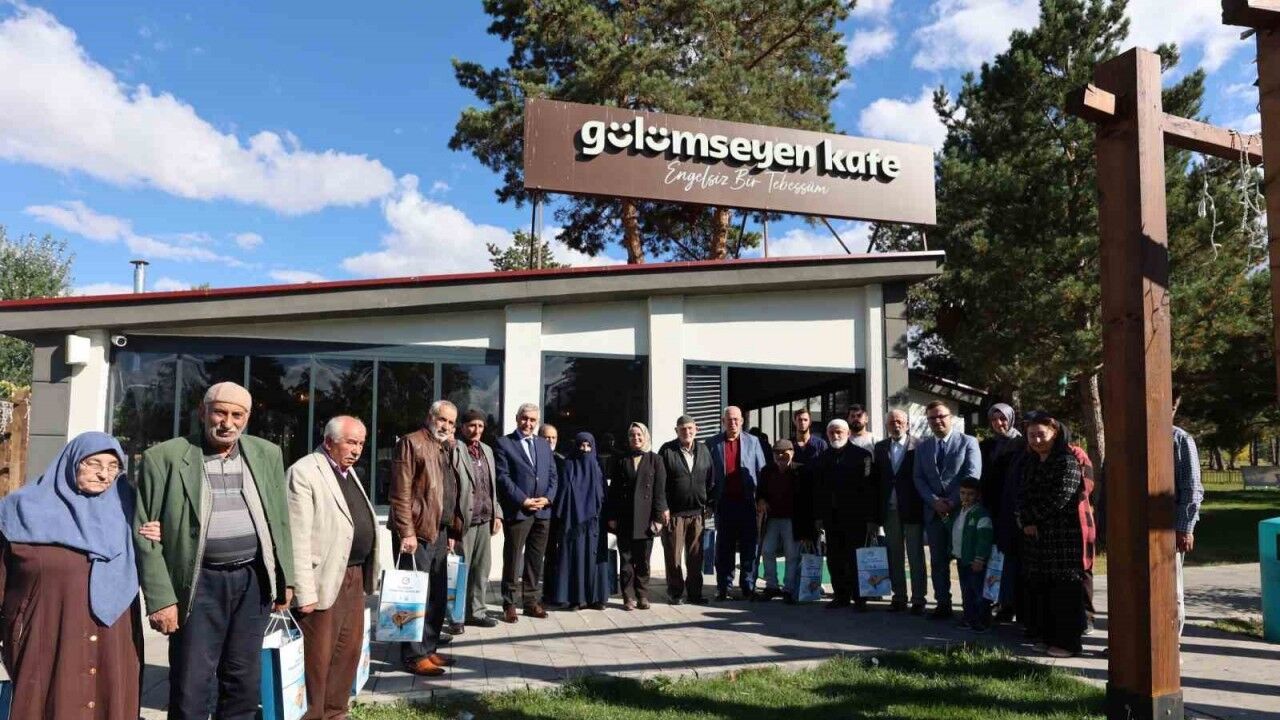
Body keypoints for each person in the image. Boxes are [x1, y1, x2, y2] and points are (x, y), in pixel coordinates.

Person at [134, 381, 295, 719]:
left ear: (247, 417)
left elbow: (280, 520)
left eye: (238, 415)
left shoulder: (266, 453)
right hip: (198, 583)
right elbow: (145, 534)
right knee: (191, 683)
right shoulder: (164, 457)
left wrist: (286, 579)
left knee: (243, 680)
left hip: (253, 581)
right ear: (202, 412)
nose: (228, 422)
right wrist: (161, 599)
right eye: (220, 412)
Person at [0, 432, 160, 719]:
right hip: (47, 632)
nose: (104, 474)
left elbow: (159, 558)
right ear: (71, 462)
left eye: (113, 466)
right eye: (94, 463)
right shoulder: (21, 509)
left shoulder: (130, 509)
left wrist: (159, 535)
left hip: (113, 636)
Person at [286, 416, 380, 719]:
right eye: (351, 442)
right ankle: (312, 715)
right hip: (322, 579)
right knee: (317, 657)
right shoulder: (304, 472)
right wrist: (303, 591)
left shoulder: (349, 472)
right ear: (328, 442)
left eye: (361, 443)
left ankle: (336, 712)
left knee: (347, 651)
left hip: (353, 574)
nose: (357, 450)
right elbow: (296, 536)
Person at [388, 400, 462, 677]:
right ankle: (412, 655)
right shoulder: (411, 442)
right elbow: (400, 492)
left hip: (439, 530)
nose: (446, 426)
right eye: (442, 419)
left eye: (451, 422)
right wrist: (406, 531)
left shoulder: (444, 447)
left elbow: (448, 490)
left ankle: (428, 648)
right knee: (414, 596)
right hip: (416, 533)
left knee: (437, 597)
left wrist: (451, 531)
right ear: (430, 417)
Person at [1016, 411, 1086, 658]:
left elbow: (1060, 498)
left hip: (1061, 537)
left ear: (1054, 433)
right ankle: (1046, 636)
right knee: (1041, 589)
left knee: (1063, 591)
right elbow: (1021, 494)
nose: (1036, 440)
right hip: (1035, 539)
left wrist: (1032, 518)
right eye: (1031, 435)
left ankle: (1068, 643)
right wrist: (1025, 520)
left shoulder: (1066, 461)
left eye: (1041, 434)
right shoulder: (1031, 462)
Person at [913, 399, 981, 619]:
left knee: (965, 561)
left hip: (961, 512)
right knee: (938, 561)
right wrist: (934, 501)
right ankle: (943, 603)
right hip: (934, 514)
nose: (937, 421)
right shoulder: (922, 447)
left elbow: (972, 474)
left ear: (951, 417)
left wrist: (952, 502)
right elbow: (918, 478)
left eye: (941, 416)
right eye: (932, 418)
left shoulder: (968, 442)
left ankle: (970, 607)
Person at [494, 402, 559, 622]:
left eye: (532, 420)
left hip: (542, 512)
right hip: (519, 511)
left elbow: (553, 475)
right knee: (513, 559)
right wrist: (523, 500)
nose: (528, 423)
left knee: (535, 559)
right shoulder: (504, 443)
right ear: (517, 418)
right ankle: (509, 603)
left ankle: (531, 602)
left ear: (537, 422)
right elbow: (503, 477)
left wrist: (547, 498)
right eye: (524, 418)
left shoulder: (543, 444)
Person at [813, 419, 880, 611]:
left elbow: (870, 489)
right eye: (832, 432)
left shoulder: (863, 456)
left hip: (857, 517)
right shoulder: (822, 458)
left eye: (839, 432)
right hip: (831, 518)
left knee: (856, 558)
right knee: (835, 558)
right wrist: (818, 517)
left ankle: (860, 598)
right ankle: (841, 596)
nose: (835, 436)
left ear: (848, 433)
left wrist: (872, 519)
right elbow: (818, 490)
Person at [707, 406, 768, 601]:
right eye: (729, 419)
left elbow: (762, 472)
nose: (732, 423)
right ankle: (723, 586)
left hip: (747, 502)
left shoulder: (753, 441)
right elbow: (707, 474)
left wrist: (761, 498)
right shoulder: (713, 443)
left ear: (742, 421)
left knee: (749, 547)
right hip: (724, 503)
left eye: (736, 419)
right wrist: (709, 501)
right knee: (724, 547)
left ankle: (748, 585)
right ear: (722, 421)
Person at [607, 422, 669, 610]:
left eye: (639, 435)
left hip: (646, 519)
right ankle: (628, 597)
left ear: (645, 436)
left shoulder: (656, 460)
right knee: (626, 561)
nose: (636, 438)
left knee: (643, 561)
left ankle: (642, 595)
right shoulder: (621, 460)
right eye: (632, 435)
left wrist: (658, 518)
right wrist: (612, 516)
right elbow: (614, 491)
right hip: (625, 517)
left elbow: (660, 492)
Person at [546, 432, 611, 610]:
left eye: (588, 446)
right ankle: (575, 598)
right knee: (575, 558)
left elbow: (604, 494)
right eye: (581, 445)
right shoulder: (568, 464)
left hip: (595, 522)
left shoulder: (597, 466)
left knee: (594, 559)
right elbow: (562, 492)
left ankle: (596, 598)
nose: (585, 449)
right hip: (573, 522)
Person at [452, 409, 501, 629]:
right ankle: (457, 616)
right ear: (463, 427)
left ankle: (477, 612)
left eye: (480, 426)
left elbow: (492, 485)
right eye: (472, 425)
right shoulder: (455, 448)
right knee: (461, 571)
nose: (476, 430)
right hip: (464, 520)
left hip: (485, 519)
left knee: (481, 569)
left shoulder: (487, 450)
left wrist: (497, 513)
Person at [874, 409, 926, 614]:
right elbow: (878, 479)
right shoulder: (880, 447)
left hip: (912, 507)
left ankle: (919, 598)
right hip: (890, 509)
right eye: (892, 422)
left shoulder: (920, 446)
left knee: (915, 555)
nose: (896, 425)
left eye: (899, 422)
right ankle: (899, 597)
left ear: (907, 424)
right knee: (894, 555)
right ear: (887, 425)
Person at [657, 416, 713, 605]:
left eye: (690, 428)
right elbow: (659, 483)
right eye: (682, 429)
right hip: (674, 514)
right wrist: (662, 507)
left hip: (697, 513)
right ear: (676, 431)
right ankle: (675, 593)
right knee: (673, 556)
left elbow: (711, 479)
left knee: (696, 556)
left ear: (696, 429)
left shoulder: (704, 450)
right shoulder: (667, 450)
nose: (686, 432)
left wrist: (710, 503)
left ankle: (695, 594)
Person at [981, 403, 1025, 623]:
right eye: (994, 419)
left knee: (1011, 559)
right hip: (992, 508)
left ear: (1011, 419)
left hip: (1012, 509)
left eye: (1003, 418)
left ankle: (1010, 604)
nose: (999, 423)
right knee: (993, 557)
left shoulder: (1021, 444)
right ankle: (994, 599)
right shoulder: (987, 445)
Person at [756, 439, 806, 603]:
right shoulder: (767, 471)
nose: (780, 456)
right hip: (772, 519)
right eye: (777, 453)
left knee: (792, 554)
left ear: (792, 452)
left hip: (792, 520)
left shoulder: (801, 471)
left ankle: (789, 589)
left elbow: (808, 498)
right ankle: (771, 586)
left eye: (784, 452)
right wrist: (761, 500)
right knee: (767, 551)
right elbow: (760, 492)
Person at [951, 477, 994, 632]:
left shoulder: (981, 514)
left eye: (970, 494)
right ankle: (968, 618)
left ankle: (982, 621)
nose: (966, 497)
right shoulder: (960, 512)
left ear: (978, 495)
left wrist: (979, 558)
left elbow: (984, 539)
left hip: (974, 561)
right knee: (966, 591)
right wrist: (944, 519)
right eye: (963, 493)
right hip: (962, 559)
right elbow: (954, 530)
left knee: (978, 592)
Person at [1173, 424, 1203, 640]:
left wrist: (1185, 527)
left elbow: (1192, 487)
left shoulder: (1179, 438)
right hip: (1130, 528)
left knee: (1170, 588)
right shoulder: (1127, 432)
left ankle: (1171, 642)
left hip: (1167, 528)